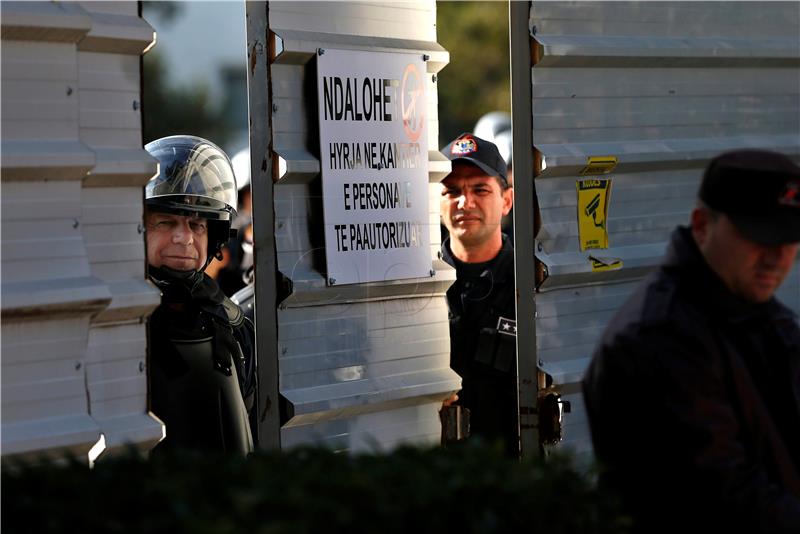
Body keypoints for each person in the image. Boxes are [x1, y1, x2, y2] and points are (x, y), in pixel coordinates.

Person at [583, 149, 800, 533]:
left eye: (788, 238)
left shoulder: (763, 316)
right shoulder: (658, 339)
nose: (776, 258)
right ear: (702, 225)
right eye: (758, 236)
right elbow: (723, 499)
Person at [144, 135, 257, 456]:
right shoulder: (115, 324)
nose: (184, 237)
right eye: (166, 222)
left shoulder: (233, 325)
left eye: (197, 225)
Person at [439, 132, 518, 456]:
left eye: (480, 189)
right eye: (452, 191)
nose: (464, 202)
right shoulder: (413, 286)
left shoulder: (533, 284)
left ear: (507, 201)